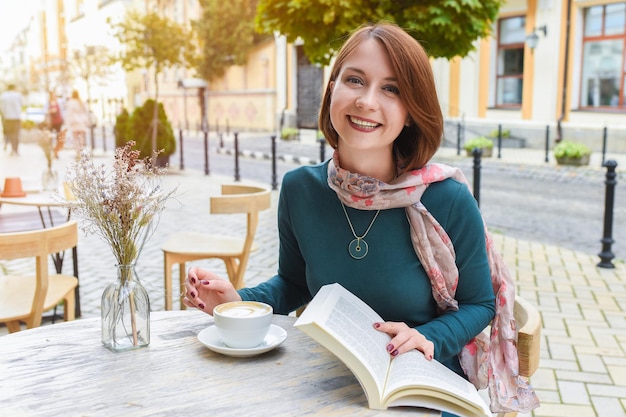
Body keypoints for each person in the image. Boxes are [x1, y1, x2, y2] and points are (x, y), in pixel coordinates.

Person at [183, 22, 538, 415]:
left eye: (392, 89)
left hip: (422, 380)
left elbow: (479, 304)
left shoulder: (446, 199)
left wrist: (425, 336)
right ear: (332, 87)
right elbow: (294, 282)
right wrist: (238, 300)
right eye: (355, 80)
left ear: (410, 114)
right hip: (327, 380)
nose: (367, 101)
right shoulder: (300, 188)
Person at [0, 83, 23, 156]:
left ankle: (12, 149)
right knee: (16, 134)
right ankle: (15, 149)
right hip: (16, 117)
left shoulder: (3, 96)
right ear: (14, 88)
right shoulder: (18, 95)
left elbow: (2, 108)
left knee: (10, 133)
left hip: (7, 118)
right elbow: (21, 105)